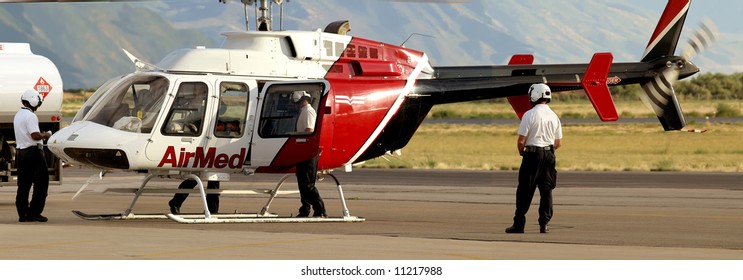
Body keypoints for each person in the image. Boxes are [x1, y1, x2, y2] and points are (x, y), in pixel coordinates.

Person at [505, 83, 562, 234]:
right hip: (549, 155)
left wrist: (522, 152)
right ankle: (544, 224)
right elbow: (558, 143)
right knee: (546, 190)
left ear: (534, 95)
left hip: (532, 155)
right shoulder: (554, 116)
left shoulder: (529, 115)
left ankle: (519, 224)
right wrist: (548, 151)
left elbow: (521, 141)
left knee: (525, 189)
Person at [14, 89, 52, 223]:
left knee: (24, 185)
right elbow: (35, 136)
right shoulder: (30, 116)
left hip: (21, 153)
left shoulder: (18, 114)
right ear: (33, 101)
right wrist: (46, 134)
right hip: (33, 153)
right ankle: (35, 212)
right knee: (41, 183)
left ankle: (23, 213)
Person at [292, 91, 326, 218]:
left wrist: (295, 135)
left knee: (307, 183)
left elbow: (309, 130)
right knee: (302, 183)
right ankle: (305, 209)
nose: (298, 105)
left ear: (304, 100)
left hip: (308, 151)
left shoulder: (308, 111)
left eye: (299, 102)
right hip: (303, 151)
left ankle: (320, 209)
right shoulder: (304, 111)